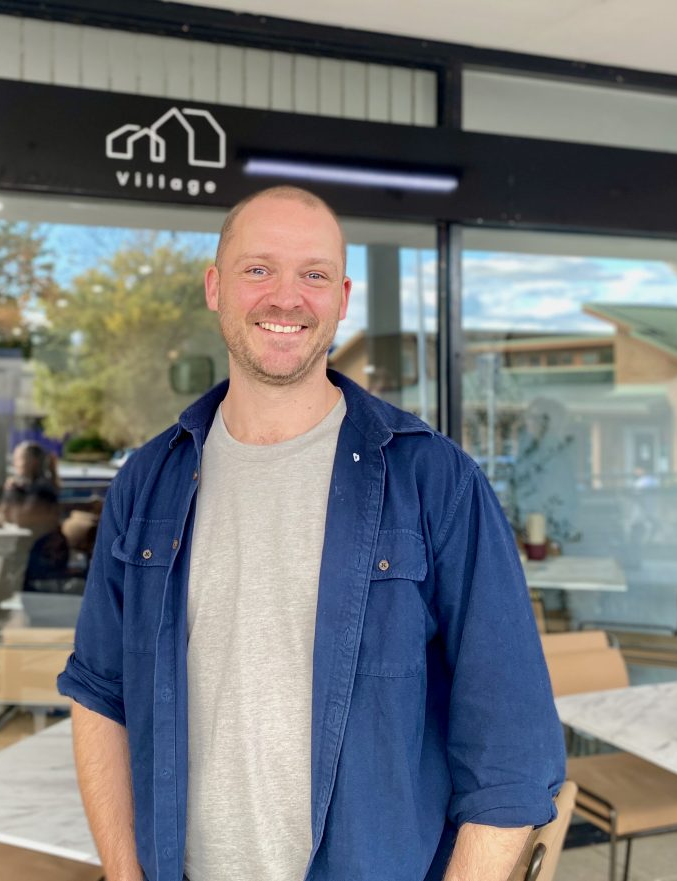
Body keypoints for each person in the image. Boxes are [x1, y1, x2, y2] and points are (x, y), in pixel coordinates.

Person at [56, 186, 564, 881]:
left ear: (344, 295)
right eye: (258, 268)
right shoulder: (149, 481)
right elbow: (99, 693)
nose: (286, 297)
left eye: (314, 274)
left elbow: (511, 750)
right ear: (215, 287)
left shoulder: (434, 481)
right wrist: (122, 871)